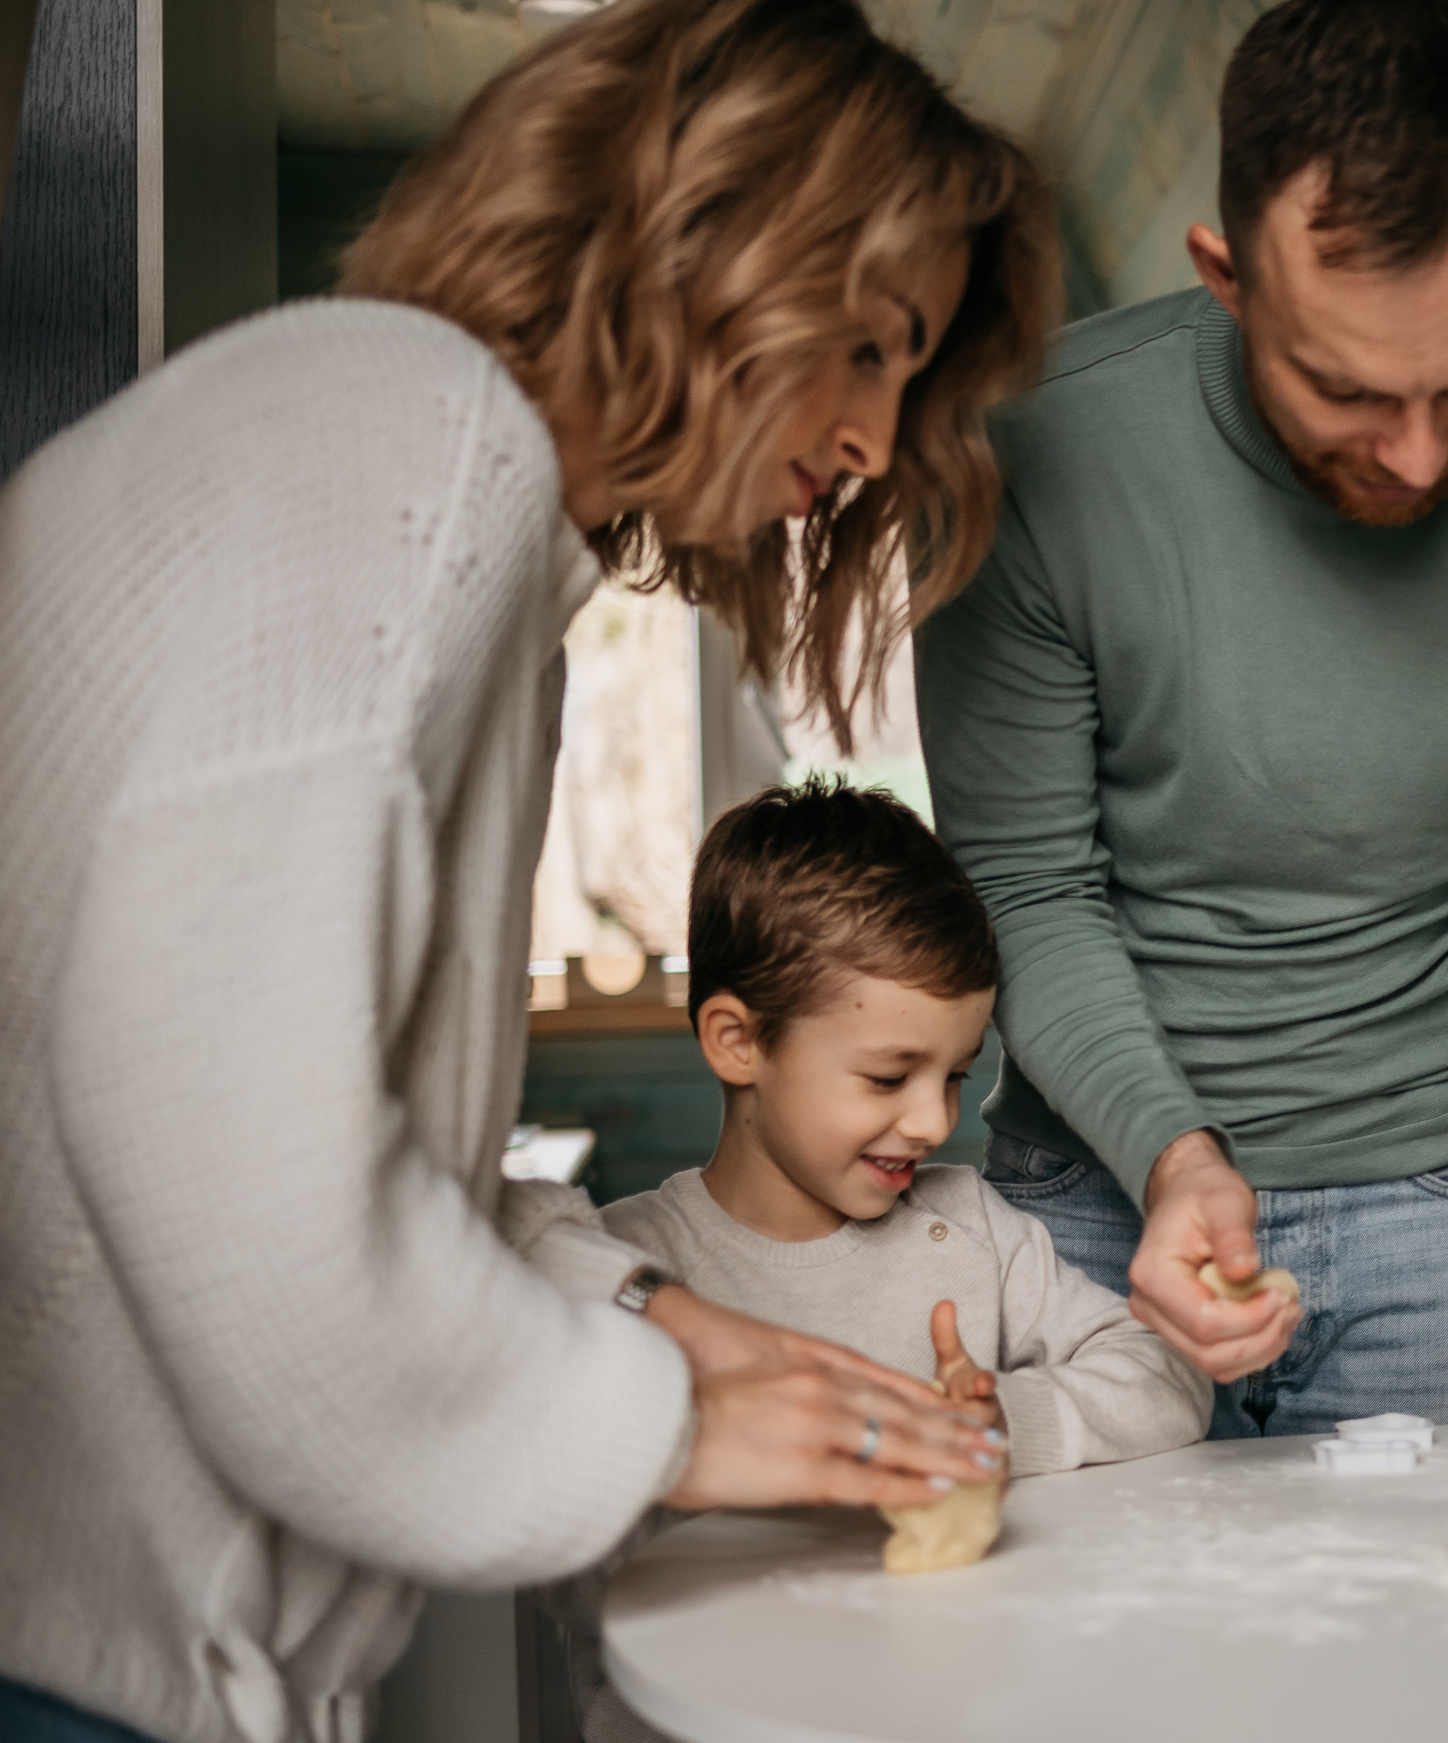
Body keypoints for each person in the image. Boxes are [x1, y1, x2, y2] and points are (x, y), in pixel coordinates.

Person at [0, 2, 1054, 1737]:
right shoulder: (403, 453)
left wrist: (659, 1319)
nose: (873, 439)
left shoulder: (444, 490)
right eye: (868, 343)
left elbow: (349, 1153)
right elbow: (247, 1205)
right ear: (714, 228)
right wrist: (677, 1423)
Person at [913, 0, 1448, 1439]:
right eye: (1346, 388)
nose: (1419, 457)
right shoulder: (1027, 452)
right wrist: (1169, 1151)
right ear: (1226, 276)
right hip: (1102, 1191)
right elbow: (1025, 886)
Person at [554, 781, 1210, 1743]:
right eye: (886, 1075)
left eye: (953, 1074)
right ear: (738, 1042)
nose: (935, 1121)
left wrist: (996, 1423)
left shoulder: (968, 1227)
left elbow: (1168, 1377)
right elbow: (572, 1568)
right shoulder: (629, 1268)